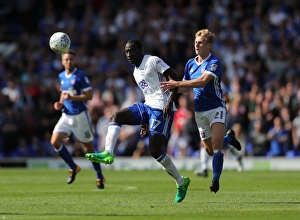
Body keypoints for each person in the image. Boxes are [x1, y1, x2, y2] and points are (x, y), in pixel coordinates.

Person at [85, 39, 190, 203]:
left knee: (155, 150)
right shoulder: (135, 71)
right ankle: (108, 152)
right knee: (115, 117)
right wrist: (144, 120)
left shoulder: (153, 61)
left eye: (131, 51)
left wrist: (170, 102)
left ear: (140, 49)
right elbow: (148, 94)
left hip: (162, 108)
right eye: (126, 51)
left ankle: (181, 182)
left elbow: (175, 78)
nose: (128, 54)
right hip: (148, 107)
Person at [160, 29, 241, 193]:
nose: (196, 45)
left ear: (209, 45)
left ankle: (215, 179)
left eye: (200, 42)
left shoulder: (214, 62)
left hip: (216, 107)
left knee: (217, 146)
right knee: (209, 150)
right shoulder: (190, 64)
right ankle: (229, 139)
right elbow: (184, 88)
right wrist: (168, 89)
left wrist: (177, 84)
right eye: (195, 42)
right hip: (200, 112)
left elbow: (203, 81)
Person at [51, 50, 105, 189]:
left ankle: (99, 175)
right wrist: (60, 103)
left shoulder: (80, 76)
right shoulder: (61, 76)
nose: (69, 62)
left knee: (88, 148)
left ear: (75, 61)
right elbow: (64, 94)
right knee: (54, 141)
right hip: (66, 115)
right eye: (66, 60)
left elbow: (89, 96)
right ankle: (73, 167)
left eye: (71, 59)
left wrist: (72, 98)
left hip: (80, 116)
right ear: (62, 61)